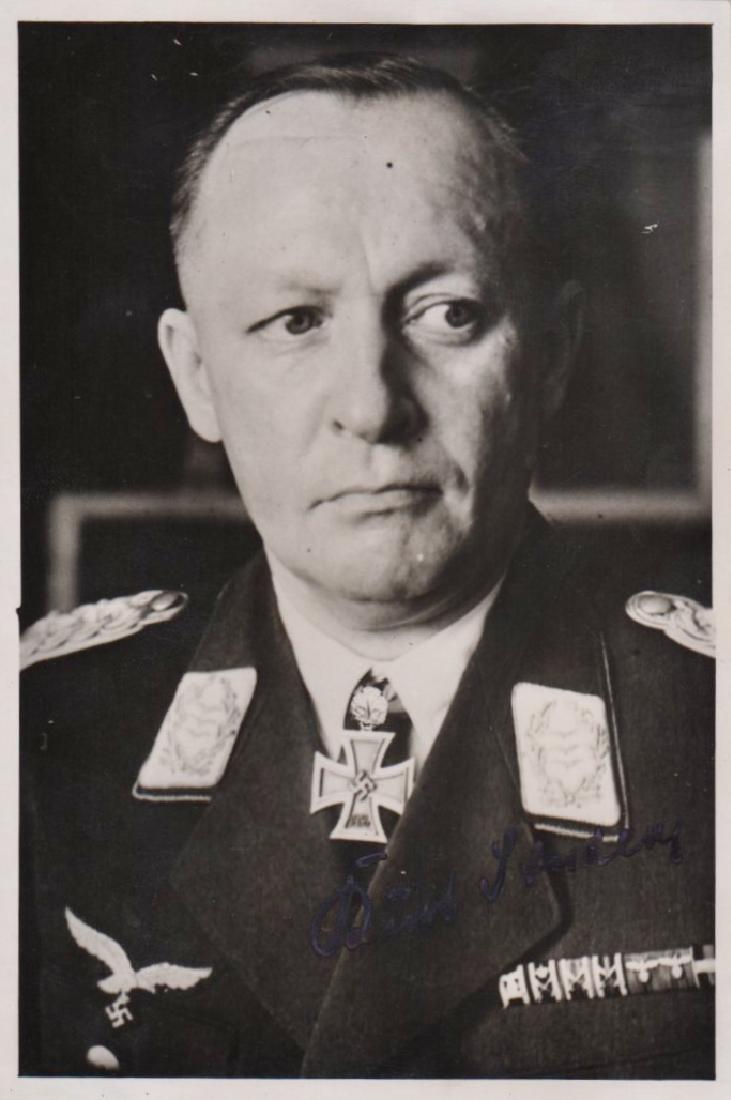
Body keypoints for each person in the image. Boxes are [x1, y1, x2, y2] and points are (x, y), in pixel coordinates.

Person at [20, 53, 714, 1078]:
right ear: (196, 374)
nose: (372, 406)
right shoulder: (39, 748)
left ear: (553, 352)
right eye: (295, 322)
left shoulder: (706, 727)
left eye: (446, 313)